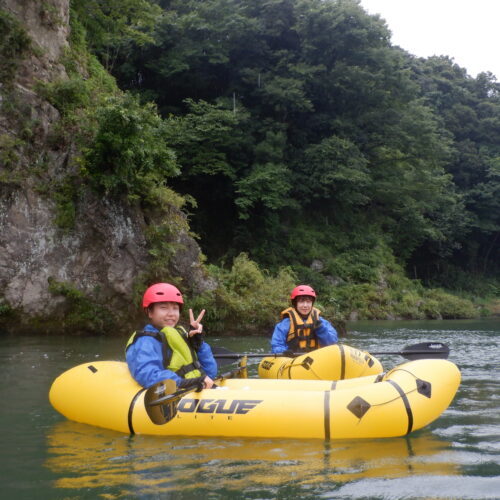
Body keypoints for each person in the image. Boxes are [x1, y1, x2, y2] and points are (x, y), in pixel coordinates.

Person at [126, 283, 217, 390]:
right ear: (150, 312)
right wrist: (185, 383)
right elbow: (148, 375)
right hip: (177, 392)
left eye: (175, 308)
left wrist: (199, 344)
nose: (171, 313)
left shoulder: (182, 336)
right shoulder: (145, 341)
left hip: (195, 388)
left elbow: (211, 373)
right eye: (164, 308)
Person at [271, 285, 338, 354]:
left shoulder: (321, 322)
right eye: (301, 301)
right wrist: (283, 352)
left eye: (308, 302)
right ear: (295, 303)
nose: (305, 305)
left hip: (316, 360)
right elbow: (276, 346)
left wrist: (321, 329)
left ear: (312, 304)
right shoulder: (285, 324)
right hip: (292, 360)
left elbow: (332, 343)